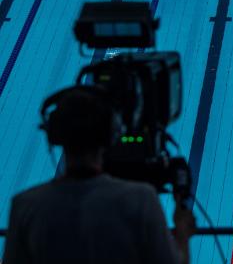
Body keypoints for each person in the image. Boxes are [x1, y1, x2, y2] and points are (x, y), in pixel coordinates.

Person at [2, 87, 196, 264]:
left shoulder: (25, 206)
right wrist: (182, 233)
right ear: (111, 134)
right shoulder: (141, 200)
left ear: (55, 135)